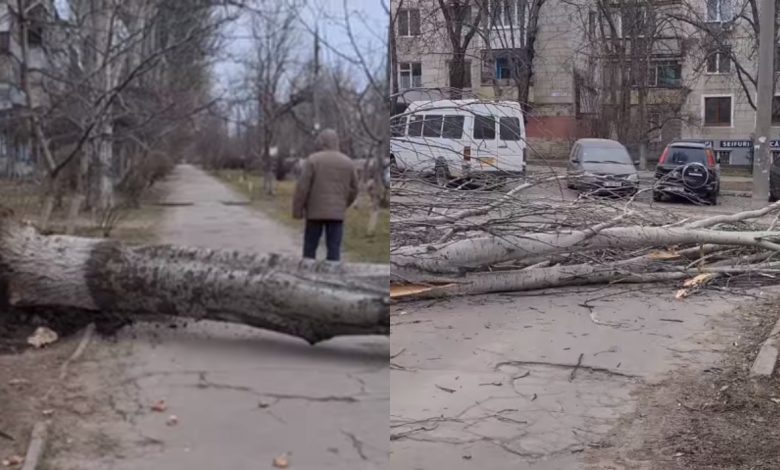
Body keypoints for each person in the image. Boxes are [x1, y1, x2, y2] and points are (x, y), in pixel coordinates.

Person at [292, 129, 358, 261]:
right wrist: (343, 204)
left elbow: (302, 188)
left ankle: (307, 276)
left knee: (310, 249)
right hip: (337, 215)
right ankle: (333, 276)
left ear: (321, 142)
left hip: (314, 213)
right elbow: (354, 189)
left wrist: (297, 210)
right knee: (334, 250)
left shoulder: (313, 160)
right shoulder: (348, 162)